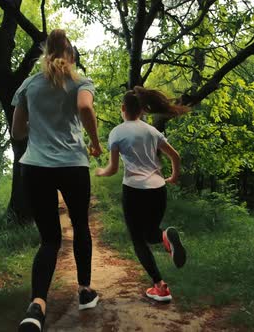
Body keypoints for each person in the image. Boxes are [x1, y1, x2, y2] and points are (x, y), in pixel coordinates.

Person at [11, 29, 102, 332]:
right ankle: (86, 291)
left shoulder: (28, 85)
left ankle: (37, 306)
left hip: (35, 167)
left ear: (44, 53)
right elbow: (86, 107)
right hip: (72, 165)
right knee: (80, 227)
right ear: (72, 56)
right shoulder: (80, 82)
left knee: (49, 239)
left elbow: (17, 132)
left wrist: (39, 131)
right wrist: (95, 141)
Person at [95, 86, 188, 302]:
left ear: (123, 108)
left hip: (134, 191)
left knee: (139, 240)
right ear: (142, 110)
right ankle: (166, 236)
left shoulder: (117, 132)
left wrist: (101, 172)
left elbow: (113, 169)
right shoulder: (152, 131)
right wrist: (173, 177)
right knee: (151, 233)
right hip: (158, 189)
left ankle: (160, 286)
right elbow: (176, 157)